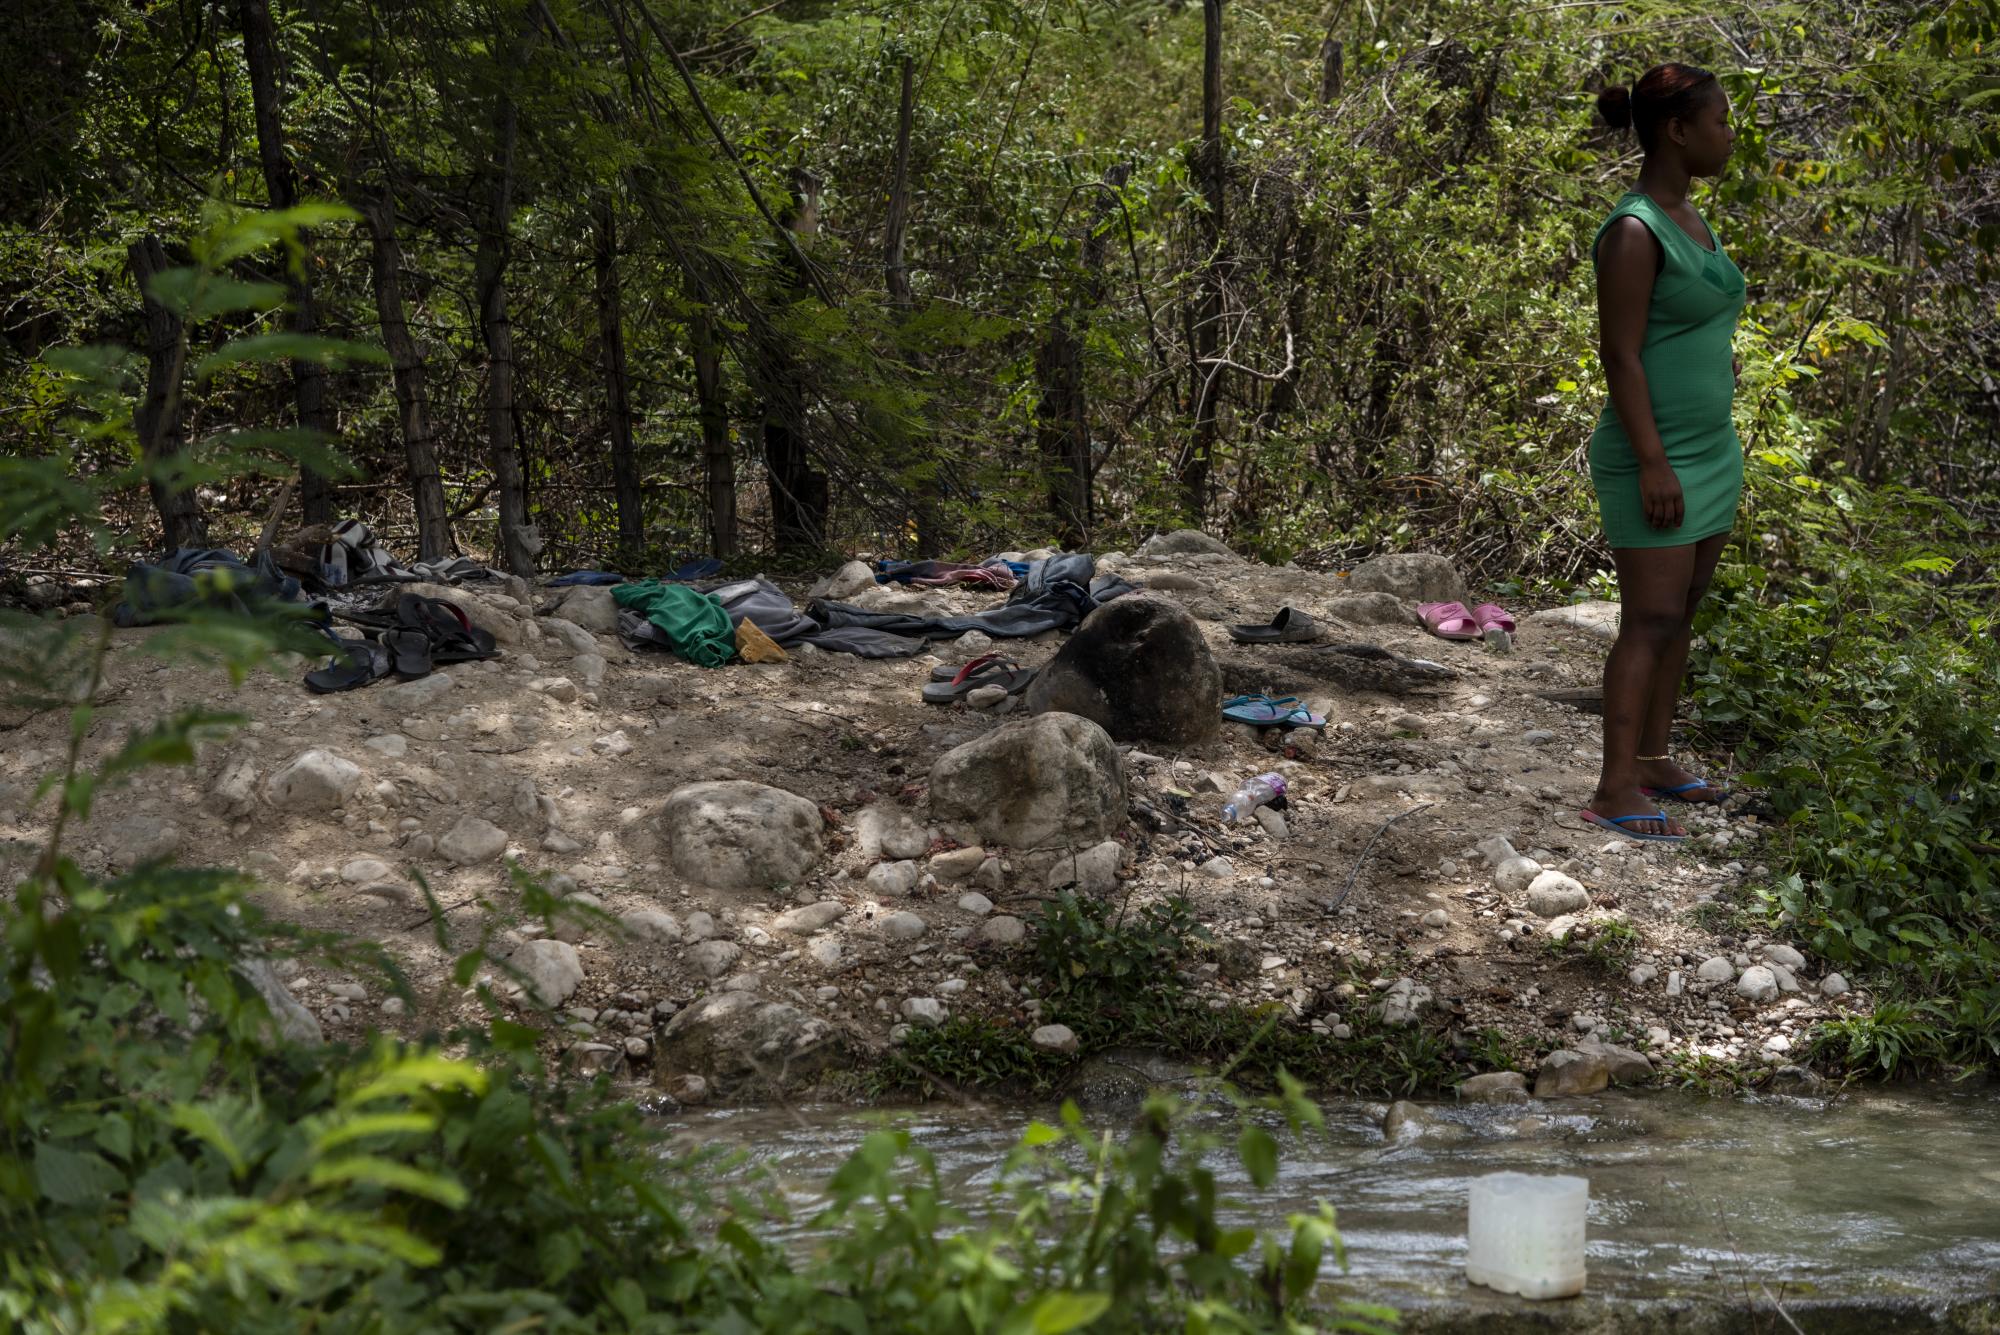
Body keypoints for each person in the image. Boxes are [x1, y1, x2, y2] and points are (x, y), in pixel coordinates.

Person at [1583, 63, 1744, 841]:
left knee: (1679, 611)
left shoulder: (1689, 218)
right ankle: (1615, 785)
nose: (1730, 133)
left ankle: (1652, 756)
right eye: (1720, 120)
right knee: (1646, 617)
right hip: (1657, 455)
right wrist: (1652, 459)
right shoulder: (1634, 230)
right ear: (1678, 131)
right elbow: (1621, 356)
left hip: (1711, 452)